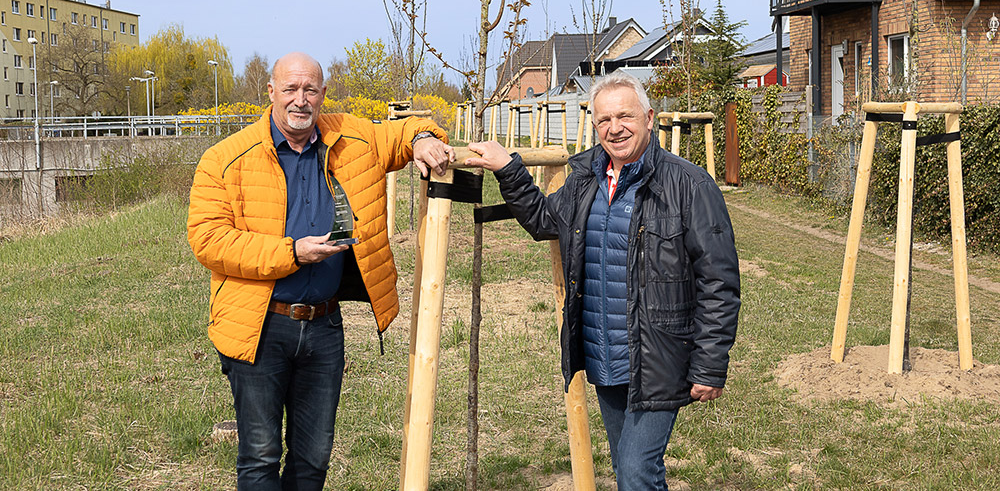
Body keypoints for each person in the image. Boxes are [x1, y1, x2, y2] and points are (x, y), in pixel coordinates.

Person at [187, 52, 454, 490]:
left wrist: (423, 137)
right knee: (259, 457)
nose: (300, 100)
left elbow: (404, 131)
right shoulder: (226, 159)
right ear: (270, 93)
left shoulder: (353, 140)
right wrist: (291, 253)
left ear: (323, 94)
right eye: (290, 89)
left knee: (312, 460)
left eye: (310, 89)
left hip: (324, 327)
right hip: (259, 327)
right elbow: (209, 240)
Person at [464, 70, 740, 490]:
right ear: (594, 126)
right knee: (628, 467)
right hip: (604, 354)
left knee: (635, 471)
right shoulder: (584, 181)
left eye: (625, 116)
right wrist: (508, 167)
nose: (615, 128)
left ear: (649, 118)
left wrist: (709, 365)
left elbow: (719, 281)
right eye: (604, 120)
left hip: (659, 356)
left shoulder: (689, 185)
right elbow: (542, 220)